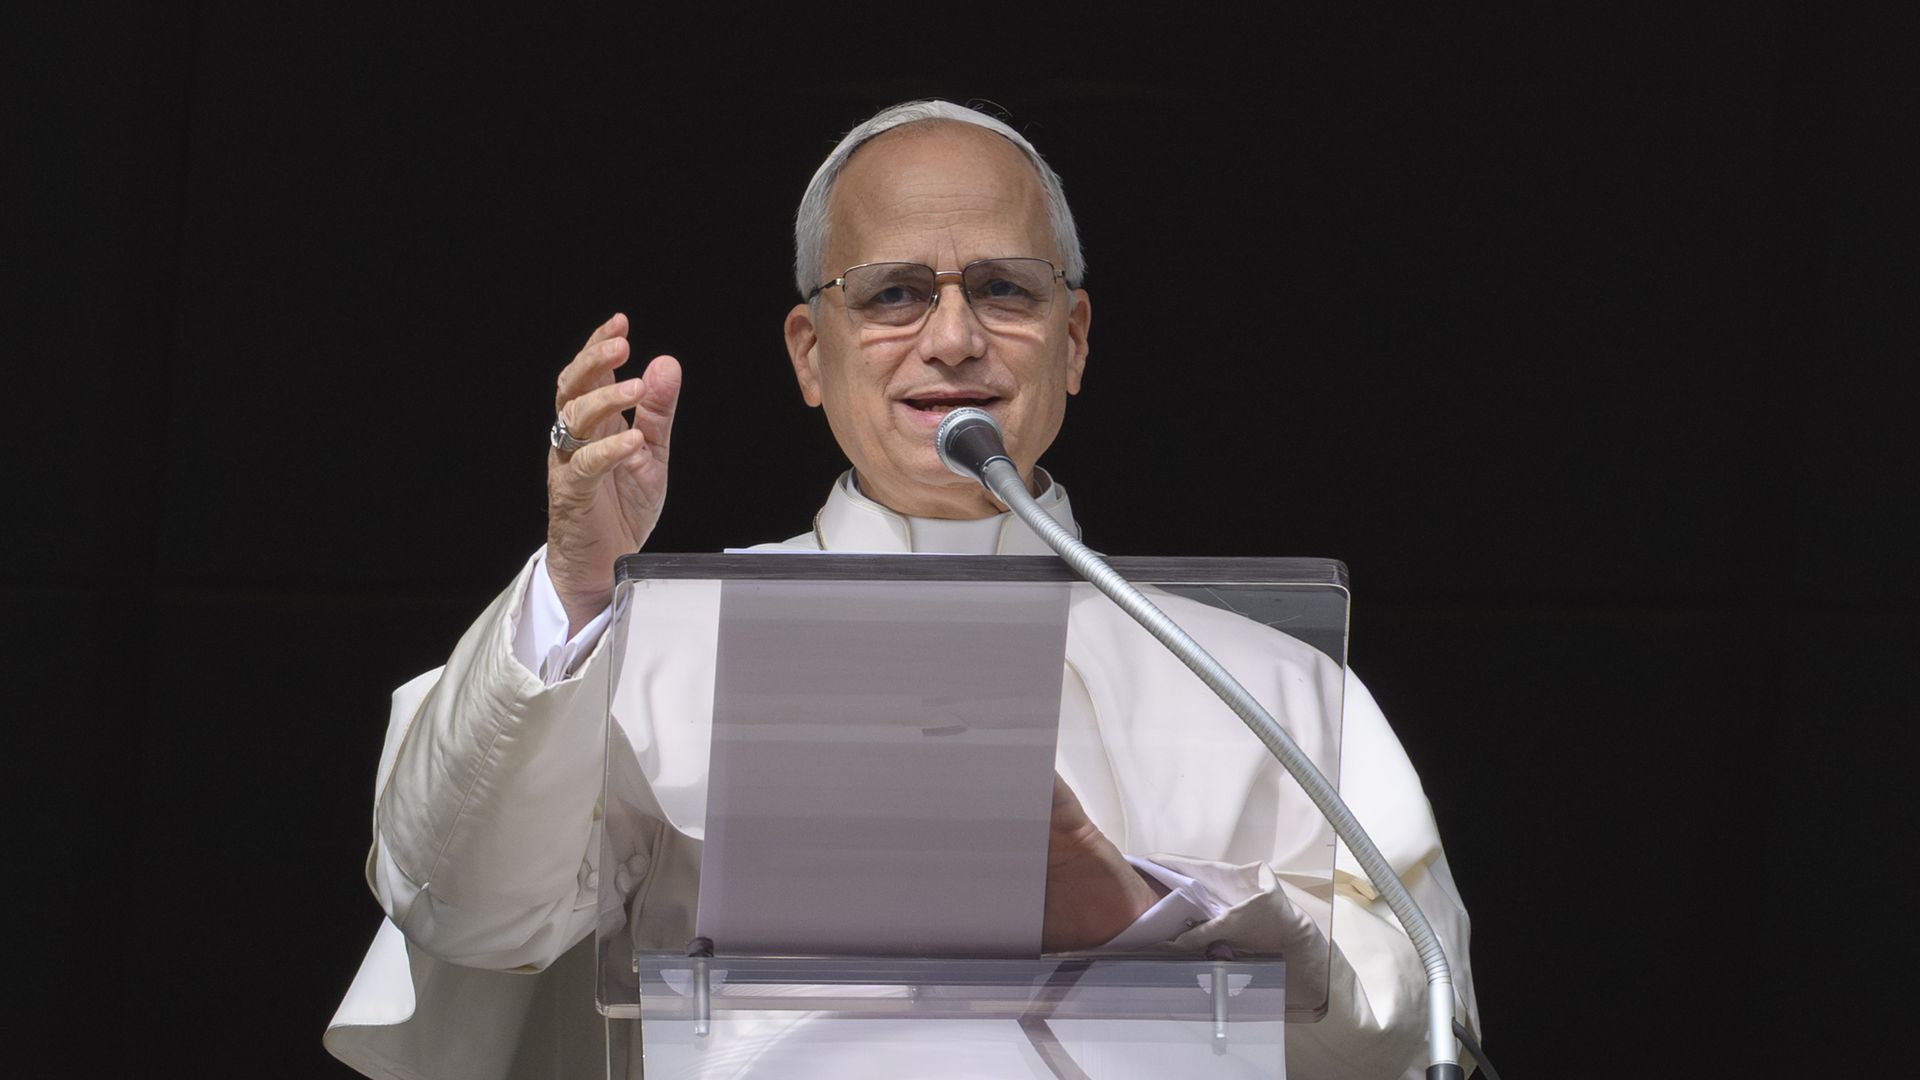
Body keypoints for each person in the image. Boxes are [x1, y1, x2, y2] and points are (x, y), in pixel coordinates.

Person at [325, 100, 1480, 1079]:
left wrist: (1135, 918)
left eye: (1003, 289)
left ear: (1073, 340)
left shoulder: (1262, 683)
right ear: (806, 353)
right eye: (890, 295)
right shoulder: (651, 640)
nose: (954, 337)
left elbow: (1415, 1012)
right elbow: (469, 907)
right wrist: (580, 582)